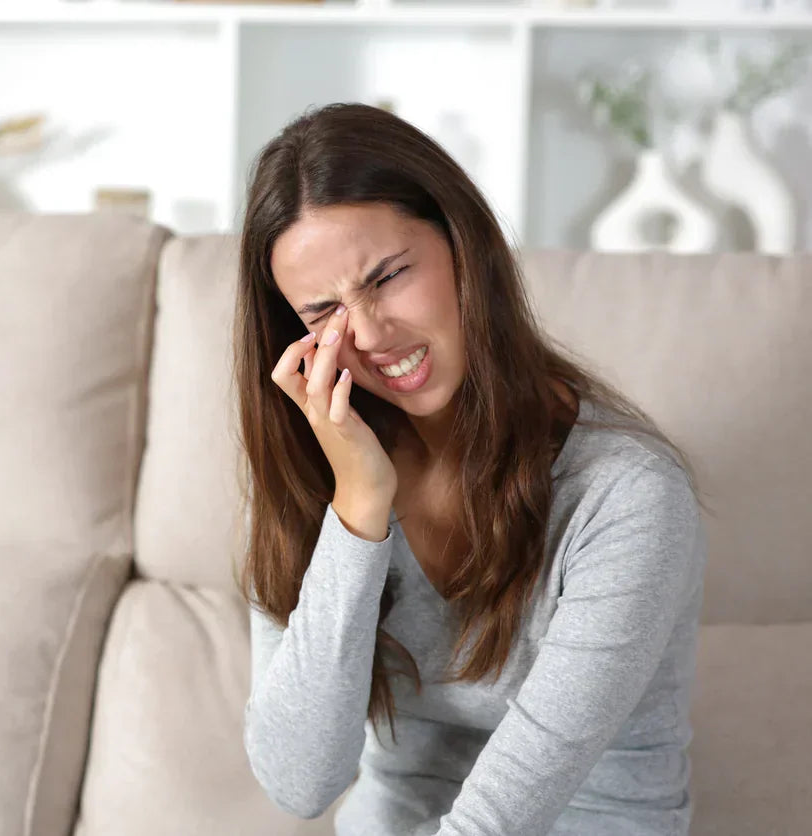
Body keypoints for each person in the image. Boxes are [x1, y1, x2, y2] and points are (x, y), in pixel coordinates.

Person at [234, 102, 712, 836]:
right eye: (322, 311)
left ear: (466, 244)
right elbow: (300, 783)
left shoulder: (626, 495)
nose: (365, 333)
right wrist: (357, 509)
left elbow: (502, 817)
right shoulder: (326, 469)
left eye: (388, 276)